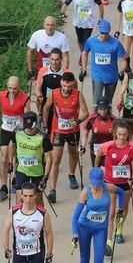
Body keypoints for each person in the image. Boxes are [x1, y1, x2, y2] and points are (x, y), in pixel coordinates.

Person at [72, 168, 125, 263]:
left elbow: (121, 192)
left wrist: (121, 209)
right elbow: (75, 216)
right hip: (84, 228)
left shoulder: (108, 188)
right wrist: (74, 234)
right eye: (94, 183)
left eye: (99, 183)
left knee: (99, 262)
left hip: (100, 229)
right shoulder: (85, 192)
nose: (96, 186)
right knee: (84, 258)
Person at [42, 72, 89, 203]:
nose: (67, 89)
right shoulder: (54, 93)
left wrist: (78, 121)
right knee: (55, 158)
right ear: (61, 83)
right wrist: (46, 125)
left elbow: (86, 113)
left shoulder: (78, 94)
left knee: (73, 154)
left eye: (69, 86)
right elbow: (46, 109)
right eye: (64, 86)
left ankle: (72, 175)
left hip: (73, 130)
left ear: (73, 84)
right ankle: (52, 190)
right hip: (58, 130)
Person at [95, 119, 133, 255]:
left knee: (123, 209)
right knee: (111, 212)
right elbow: (98, 156)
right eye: (119, 134)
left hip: (125, 183)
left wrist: (132, 177)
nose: (121, 137)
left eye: (124, 135)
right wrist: (96, 170)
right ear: (115, 133)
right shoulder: (107, 146)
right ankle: (108, 242)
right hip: (110, 182)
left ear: (128, 134)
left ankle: (119, 229)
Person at [0, 76, 30, 200]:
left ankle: (15, 179)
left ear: (19, 87)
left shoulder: (24, 98)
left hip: (19, 131)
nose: (12, 91)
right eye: (10, 88)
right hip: (5, 129)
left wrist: (28, 131)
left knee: (16, 156)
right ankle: (3, 187)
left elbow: (28, 115)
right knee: (3, 158)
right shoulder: (1, 95)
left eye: (15, 88)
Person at [81, 19, 128, 107]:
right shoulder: (91, 41)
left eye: (106, 33)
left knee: (108, 103)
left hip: (112, 76)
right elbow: (84, 53)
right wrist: (83, 69)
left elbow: (122, 59)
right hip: (97, 75)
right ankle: (94, 119)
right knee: (96, 103)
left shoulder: (116, 43)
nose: (104, 35)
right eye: (102, 33)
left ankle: (108, 120)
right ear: (99, 31)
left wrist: (122, 71)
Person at [60, 0, 104, 66]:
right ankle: (82, 53)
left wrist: (101, 18)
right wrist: (62, 14)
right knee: (80, 40)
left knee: (86, 40)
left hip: (89, 22)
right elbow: (65, 4)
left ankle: (83, 56)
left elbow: (100, 4)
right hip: (78, 22)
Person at [14, 111, 53, 205]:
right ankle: (19, 218)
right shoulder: (17, 132)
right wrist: (11, 164)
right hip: (22, 169)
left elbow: (49, 158)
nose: (29, 130)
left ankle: (41, 218)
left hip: (37, 171)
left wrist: (45, 177)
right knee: (19, 198)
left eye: (31, 127)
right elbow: (12, 147)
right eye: (27, 127)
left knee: (38, 198)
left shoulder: (42, 137)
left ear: (36, 124)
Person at [80, 96, 117, 167]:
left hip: (109, 150)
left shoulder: (114, 120)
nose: (103, 111)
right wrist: (83, 147)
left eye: (105, 109)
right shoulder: (92, 119)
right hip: (95, 150)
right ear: (97, 108)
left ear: (108, 108)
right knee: (96, 171)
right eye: (100, 109)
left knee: (107, 171)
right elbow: (85, 133)